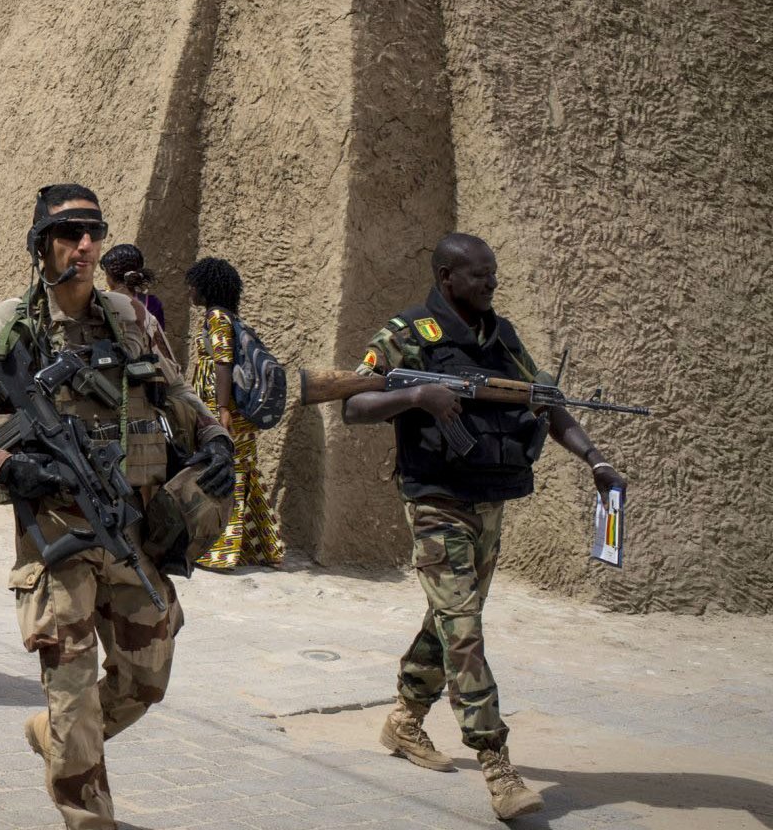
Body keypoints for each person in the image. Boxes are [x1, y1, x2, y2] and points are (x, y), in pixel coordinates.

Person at [0, 184, 234, 830]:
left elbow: (174, 390)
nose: (86, 244)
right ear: (42, 247)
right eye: (70, 234)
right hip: (57, 534)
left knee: (147, 677)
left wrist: (214, 440)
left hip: (131, 525)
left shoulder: (130, 318)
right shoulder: (6, 328)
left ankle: (56, 737)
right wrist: (5, 465)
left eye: (93, 231)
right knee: (73, 697)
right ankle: (86, 812)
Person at [345, 232, 627, 821]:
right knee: (463, 626)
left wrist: (595, 459)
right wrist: (419, 394)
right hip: (433, 499)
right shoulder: (406, 334)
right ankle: (497, 764)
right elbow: (354, 403)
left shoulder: (501, 336)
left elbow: (543, 402)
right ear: (448, 276)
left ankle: (403, 721)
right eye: (479, 276)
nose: (490, 284)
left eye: (493, 275)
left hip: (488, 502)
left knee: (448, 619)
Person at [184, 256, 285, 571]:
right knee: (245, 473)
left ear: (206, 288)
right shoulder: (230, 316)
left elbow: (223, 363)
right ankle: (262, 548)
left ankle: (220, 552)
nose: (190, 291)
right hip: (234, 412)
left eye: (193, 285)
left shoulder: (215, 318)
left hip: (222, 411)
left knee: (225, 474)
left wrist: (222, 409)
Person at [100, 243, 176, 368]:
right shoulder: (152, 303)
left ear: (110, 276)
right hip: (148, 371)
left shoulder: (102, 302)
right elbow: (160, 343)